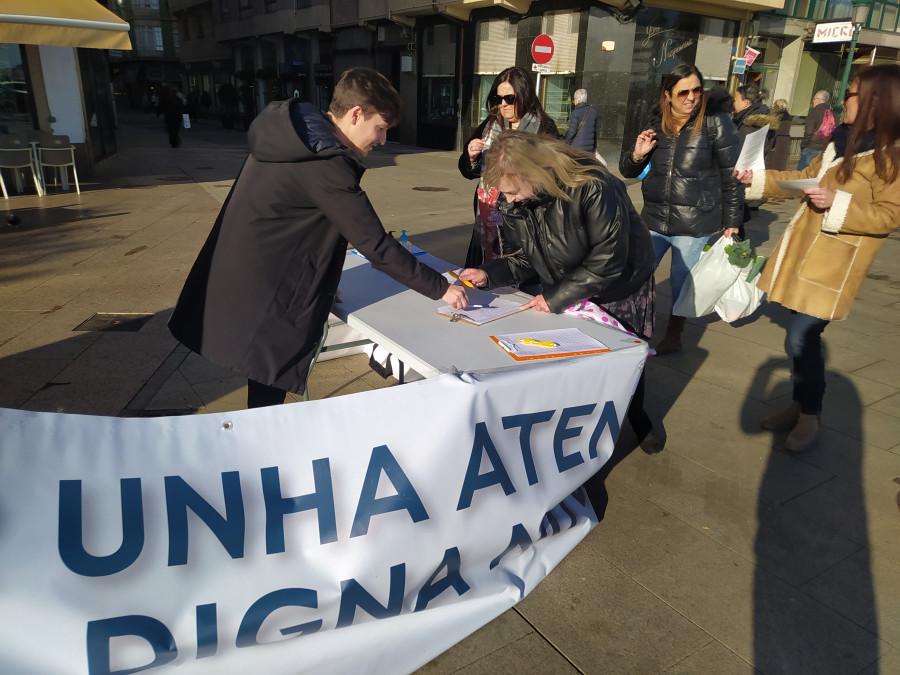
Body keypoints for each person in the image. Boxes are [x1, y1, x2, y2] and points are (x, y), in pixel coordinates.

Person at [169, 68, 468, 408]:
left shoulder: (297, 138)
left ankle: (261, 440)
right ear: (356, 114)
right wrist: (441, 287)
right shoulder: (324, 162)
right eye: (381, 128)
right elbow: (376, 246)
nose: (383, 140)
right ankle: (262, 451)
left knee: (264, 378)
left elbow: (295, 220)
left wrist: (320, 279)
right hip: (267, 291)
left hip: (253, 275)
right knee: (266, 382)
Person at [459, 130, 663, 452]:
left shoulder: (594, 186)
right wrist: (488, 274)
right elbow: (527, 257)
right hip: (568, 289)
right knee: (581, 366)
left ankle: (637, 415)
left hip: (618, 289)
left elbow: (608, 259)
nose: (507, 199)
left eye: (512, 191)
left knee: (624, 362)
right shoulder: (517, 198)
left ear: (534, 173)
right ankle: (584, 425)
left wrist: (555, 297)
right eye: (504, 192)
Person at [735, 64, 900, 452]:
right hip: (800, 255)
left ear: (877, 102)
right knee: (800, 342)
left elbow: (890, 216)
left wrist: (838, 203)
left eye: (852, 94)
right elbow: (802, 178)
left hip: (832, 267)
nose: (843, 101)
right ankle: (799, 405)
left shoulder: (891, 156)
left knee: (799, 340)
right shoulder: (838, 143)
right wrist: (757, 180)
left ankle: (811, 415)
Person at [619, 63, 743, 355]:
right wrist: (637, 154)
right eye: (683, 92)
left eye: (697, 90)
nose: (691, 97)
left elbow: (732, 173)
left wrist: (732, 220)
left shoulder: (715, 122)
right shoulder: (655, 121)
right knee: (635, 271)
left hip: (694, 221)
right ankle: (631, 321)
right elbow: (628, 170)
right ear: (668, 95)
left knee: (681, 281)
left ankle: (675, 333)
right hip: (653, 217)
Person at [458, 66, 558, 268]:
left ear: (524, 95)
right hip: (487, 216)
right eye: (498, 98)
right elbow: (467, 169)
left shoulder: (544, 129)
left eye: (509, 98)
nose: (503, 104)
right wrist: (471, 157)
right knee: (484, 271)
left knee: (515, 274)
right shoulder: (491, 123)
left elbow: (551, 182)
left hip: (521, 221)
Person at [798, 90, 832, 170]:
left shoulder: (814, 112)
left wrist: (803, 146)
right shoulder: (833, 114)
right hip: (824, 149)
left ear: (819, 100)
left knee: (802, 175)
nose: (813, 101)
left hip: (811, 148)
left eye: (814, 99)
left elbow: (808, 132)